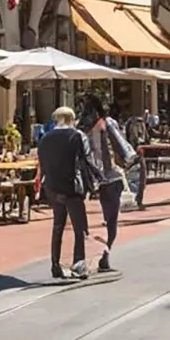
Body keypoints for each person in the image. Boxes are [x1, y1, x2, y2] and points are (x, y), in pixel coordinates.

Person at [35, 106, 98, 280]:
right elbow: (87, 160)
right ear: (72, 119)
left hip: (52, 187)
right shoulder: (77, 136)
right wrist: (97, 181)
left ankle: (55, 264)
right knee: (79, 228)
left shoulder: (45, 138)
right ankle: (79, 264)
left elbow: (41, 162)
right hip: (72, 186)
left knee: (57, 226)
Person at [81, 94, 136, 272]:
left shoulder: (83, 129)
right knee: (111, 221)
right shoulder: (108, 123)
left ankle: (86, 258)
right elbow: (123, 147)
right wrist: (130, 160)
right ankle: (104, 257)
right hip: (110, 176)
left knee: (89, 220)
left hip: (92, 178)